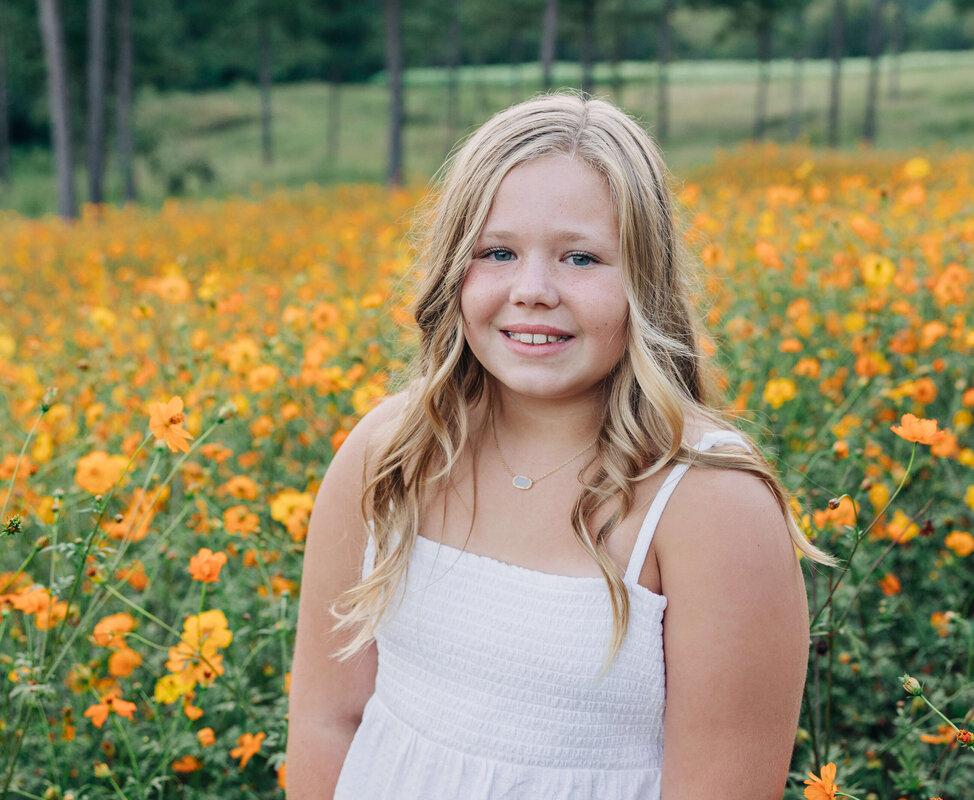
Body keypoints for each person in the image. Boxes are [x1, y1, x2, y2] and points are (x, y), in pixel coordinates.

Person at [286, 92, 833, 800]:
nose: (534, 290)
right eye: (498, 252)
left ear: (646, 281)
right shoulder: (388, 453)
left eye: (581, 258)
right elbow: (329, 721)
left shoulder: (709, 505)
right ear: (453, 268)